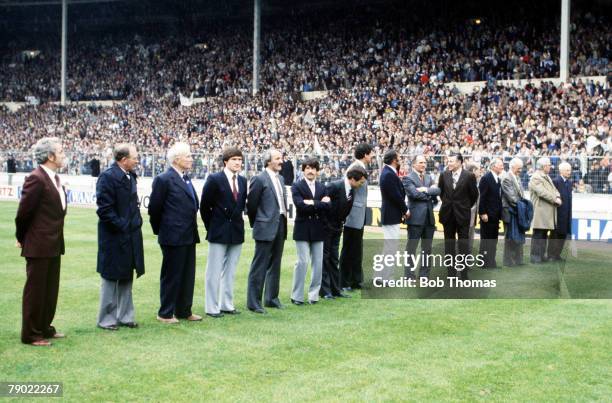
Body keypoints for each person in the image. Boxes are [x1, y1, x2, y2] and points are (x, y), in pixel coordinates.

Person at [15, 137, 67, 346]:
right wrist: (22, 238)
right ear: (50, 156)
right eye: (61, 151)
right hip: (38, 244)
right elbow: (23, 213)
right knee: (35, 291)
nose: (64, 154)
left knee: (50, 289)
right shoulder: (36, 178)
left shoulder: (54, 178)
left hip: (53, 243)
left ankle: (45, 327)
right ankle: (31, 333)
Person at [148, 142, 202, 323]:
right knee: (172, 275)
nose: (191, 159)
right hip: (172, 236)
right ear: (177, 159)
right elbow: (154, 209)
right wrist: (162, 231)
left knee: (187, 274)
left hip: (188, 234)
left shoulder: (185, 178)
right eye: (188, 156)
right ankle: (165, 312)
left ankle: (184, 310)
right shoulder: (164, 179)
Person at [96, 143, 145, 330]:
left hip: (130, 235)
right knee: (110, 278)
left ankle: (125, 316)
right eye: (134, 157)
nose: (137, 160)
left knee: (126, 276)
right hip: (114, 237)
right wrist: (123, 226)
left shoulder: (130, 176)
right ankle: (106, 319)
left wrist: (136, 223)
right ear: (123, 159)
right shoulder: (107, 177)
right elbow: (105, 210)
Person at [200, 147, 247, 317]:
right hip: (219, 230)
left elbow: (240, 206)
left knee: (231, 270)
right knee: (213, 270)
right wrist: (211, 226)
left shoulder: (243, 181)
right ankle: (212, 307)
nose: (237, 162)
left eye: (240, 159)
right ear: (226, 161)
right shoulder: (214, 179)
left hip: (236, 230)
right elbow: (204, 206)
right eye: (234, 159)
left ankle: (227, 304)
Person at [246, 149, 288, 314]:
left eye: (281, 158)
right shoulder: (259, 179)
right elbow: (251, 205)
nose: (281, 161)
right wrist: (259, 222)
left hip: (280, 225)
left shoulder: (281, 178)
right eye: (278, 158)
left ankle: (271, 298)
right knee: (260, 265)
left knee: (275, 263)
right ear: (268, 161)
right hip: (265, 227)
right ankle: (253, 302)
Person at [320, 166, 368, 299]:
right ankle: (325, 291)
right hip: (326, 228)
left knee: (334, 258)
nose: (361, 184)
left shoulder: (351, 191)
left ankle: (335, 289)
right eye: (361, 182)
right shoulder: (334, 186)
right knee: (325, 259)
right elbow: (322, 203)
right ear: (352, 179)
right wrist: (326, 223)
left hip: (337, 228)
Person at [290, 157, 330, 305]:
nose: (310, 171)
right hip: (302, 229)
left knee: (318, 264)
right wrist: (319, 203)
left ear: (317, 171)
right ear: (303, 170)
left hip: (318, 229)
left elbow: (328, 206)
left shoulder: (322, 187)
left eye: (313, 168)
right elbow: (300, 206)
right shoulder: (296, 186)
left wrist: (312, 202)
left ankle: (313, 295)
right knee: (302, 262)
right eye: (308, 168)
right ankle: (297, 296)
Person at [438, 153, 479, 279]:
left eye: (451, 161)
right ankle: (451, 273)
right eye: (448, 161)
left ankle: (464, 274)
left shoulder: (469, 176)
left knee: (463, 245)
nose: (449, 163)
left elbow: (474, 195)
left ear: (460, 162)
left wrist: (464, 206)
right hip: (447, 215)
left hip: (463, 216)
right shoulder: (444, 175)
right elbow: (442, 193)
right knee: (449, 245)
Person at [340, 143, 373, 291]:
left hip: (357, 215)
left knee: (356, 248)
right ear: (365, 154)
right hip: (352, 215)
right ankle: (345, 281)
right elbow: (347, 191)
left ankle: (355, 280)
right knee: (349, 248)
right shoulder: (354, 168)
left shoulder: (359, 167)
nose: (372, 156)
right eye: (371, 153)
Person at [404, 155, 440, 279]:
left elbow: (438, 192)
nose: (423, 164)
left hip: (429, 219)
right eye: (420, 162)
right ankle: (409, 275)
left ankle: (424, 275)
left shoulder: (429, 177)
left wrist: (425, 189)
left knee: (427, 249)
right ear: (414, 164)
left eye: (425, 162)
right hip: (415, 219)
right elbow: (414, 194)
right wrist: (429, 193)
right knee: (411, 249)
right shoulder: (408, 178)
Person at [528, 157, 562, 263]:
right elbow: (541, 192)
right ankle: (535, 257)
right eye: (548, 165)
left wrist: (557, 196)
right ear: (543, 166)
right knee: (538, 235)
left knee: (543, 234)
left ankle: (541, 256)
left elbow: (554, 190)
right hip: (540, 211)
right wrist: (555, 198)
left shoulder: (546, 176)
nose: (550, 167)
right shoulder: (536, 177)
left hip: (545, 211)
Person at [478, 158, 504, 268]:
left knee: (493, 240)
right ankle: (484, 263)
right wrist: (482, 213)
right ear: (493, 166)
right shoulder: (486, 178)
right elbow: (482, 197)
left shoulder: (497, 179)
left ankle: (491, 262)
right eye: (500, 165)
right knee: (486, 240)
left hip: (495, 215)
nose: (502, 167)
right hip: (487, 215)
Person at [379, 150, 409, 240]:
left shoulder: (390, 172)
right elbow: (395, 195)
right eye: (398, 157)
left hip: (392, 215)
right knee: (391, 247)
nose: (400, 159)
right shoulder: (388, 174)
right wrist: (405, 210)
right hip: (390, 215)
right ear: (394, 160)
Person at [501, 158, 526, 266]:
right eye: (518, 168)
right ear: (512, 167)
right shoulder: (506, 178)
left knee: (518, 236)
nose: (520, 170)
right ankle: (508, 261)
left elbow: (521, 194)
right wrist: (523, 206)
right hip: (509, 211)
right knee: (510, 237)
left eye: (521, 168)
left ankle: (518, 260)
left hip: (517, 211)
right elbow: (511, 197)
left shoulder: (517, 177)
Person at [548, 162, 573, 261]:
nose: (569, 172)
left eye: (570, 170)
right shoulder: (556, 181)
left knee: (563, 235)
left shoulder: (569, 182)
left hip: (566, 213)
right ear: (561, 171)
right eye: (567, 170)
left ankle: (557, 254)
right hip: (557, 213)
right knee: (555, 235)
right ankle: (551, 255)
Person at [465, 163, 481, 254]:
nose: (480, 172)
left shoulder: (474, 183)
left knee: (470, 239)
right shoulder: (467, 182)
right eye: (478, 170)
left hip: (472, 216)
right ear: (474, 171)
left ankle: (466, 261)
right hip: (467, 216)